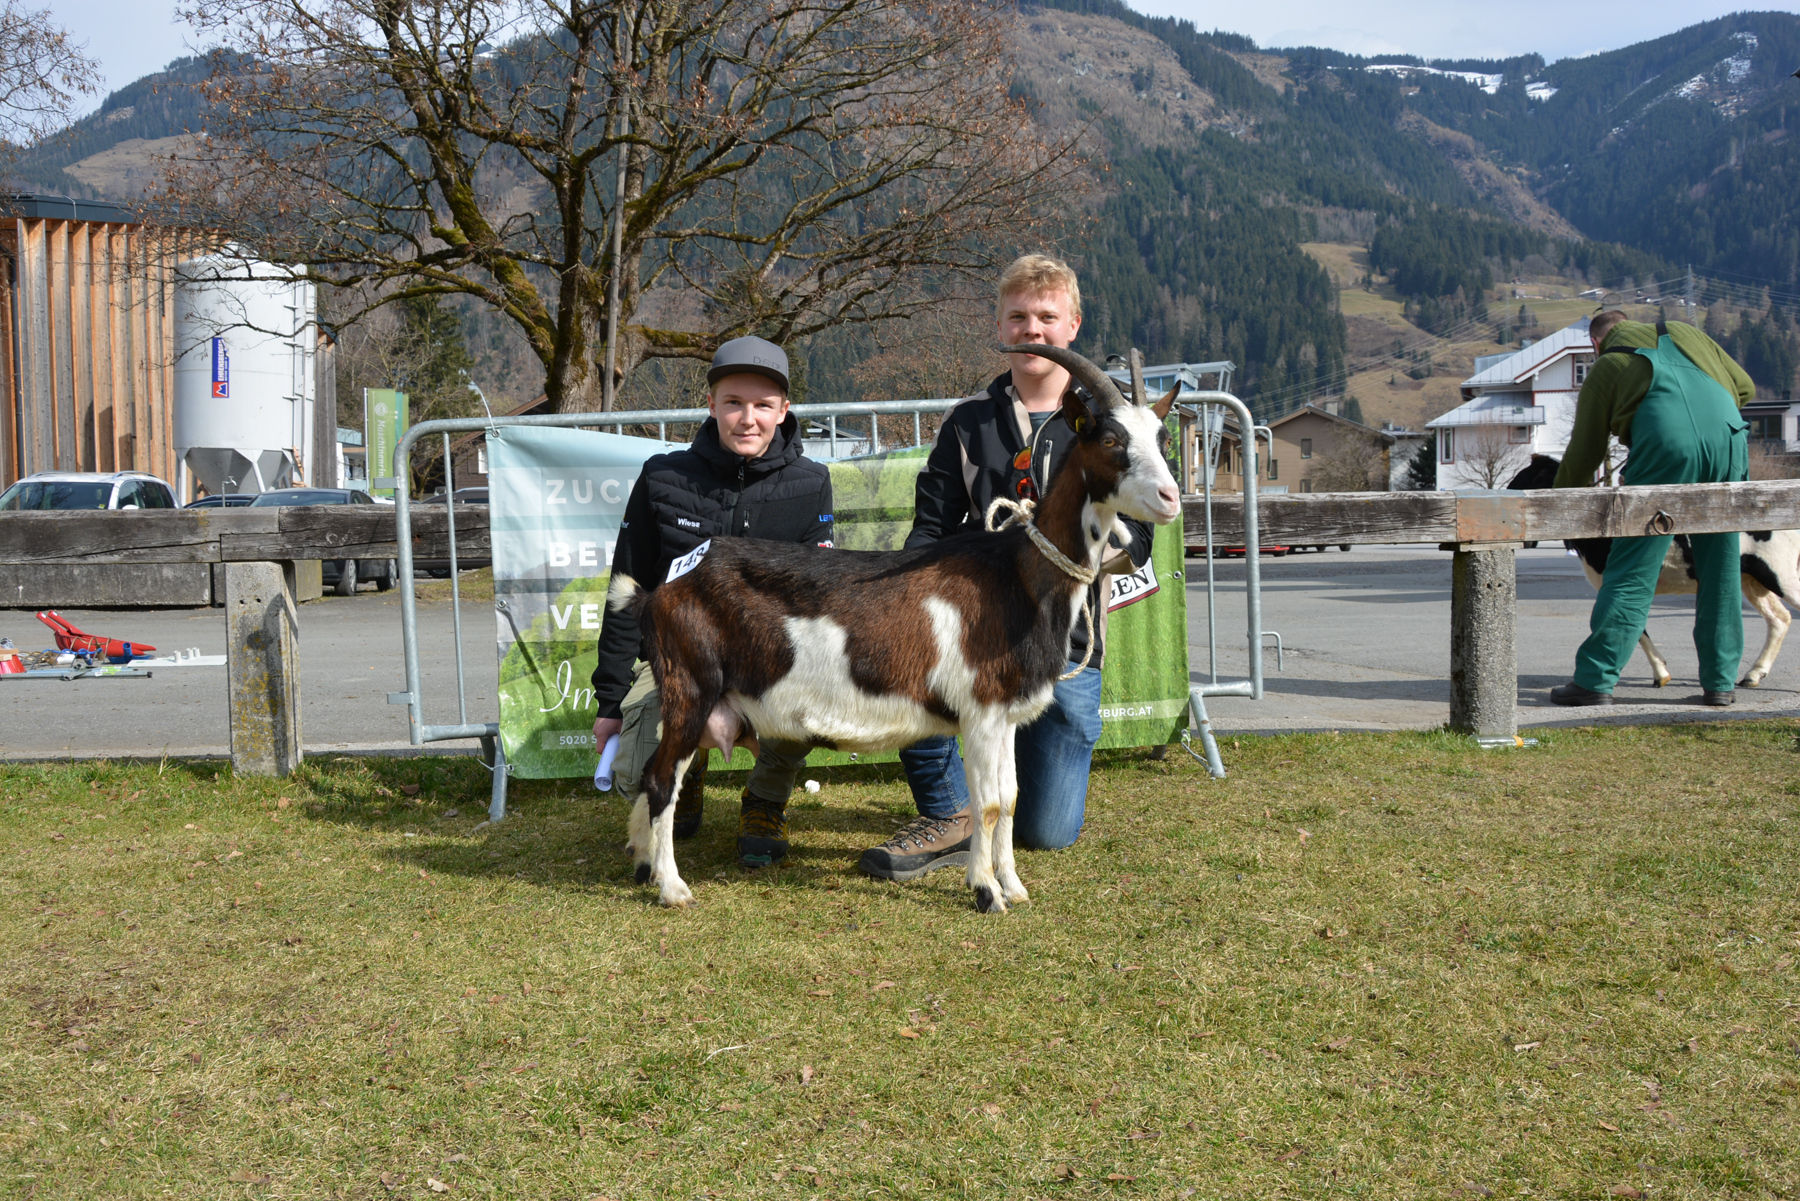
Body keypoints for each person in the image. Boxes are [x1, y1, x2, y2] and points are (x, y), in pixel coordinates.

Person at [857, 254, 1155, 882]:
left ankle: (993, 812)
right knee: (914, 684)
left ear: (1073, 324)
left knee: (1049, 829)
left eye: (1047, 316)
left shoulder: (1109, 425)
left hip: (1065, 650)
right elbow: (927, 532)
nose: (1032, 330)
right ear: (999, 323)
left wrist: (1073, 556)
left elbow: (1143, 542)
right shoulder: (969, 423)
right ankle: (953, 816)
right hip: (967, 644)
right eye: (1017, 316)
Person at [590, 336, 835, 867]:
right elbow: (626, 588)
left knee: (814, 704)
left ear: (784, 411)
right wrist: (610, 704)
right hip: (679, 661)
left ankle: (764, 802)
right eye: (733, 403)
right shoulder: (662, 477)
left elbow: (817, 599)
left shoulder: (811, 483)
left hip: (766, 665)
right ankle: (689, 773)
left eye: (763, 405)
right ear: (711, 406)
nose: (748, 419)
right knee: (633, 771)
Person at [1549, 310, 1754, 708]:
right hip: (1731, 441)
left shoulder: (1607, 365)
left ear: (1594, 344)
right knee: (1722, 567)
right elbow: (1745, 387)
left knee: (1633, 567)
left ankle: (1596, 679)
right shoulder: (1686, 332)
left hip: (1665, 445)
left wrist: (1560, 506)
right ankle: (1720, 684)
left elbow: (1584, 453)